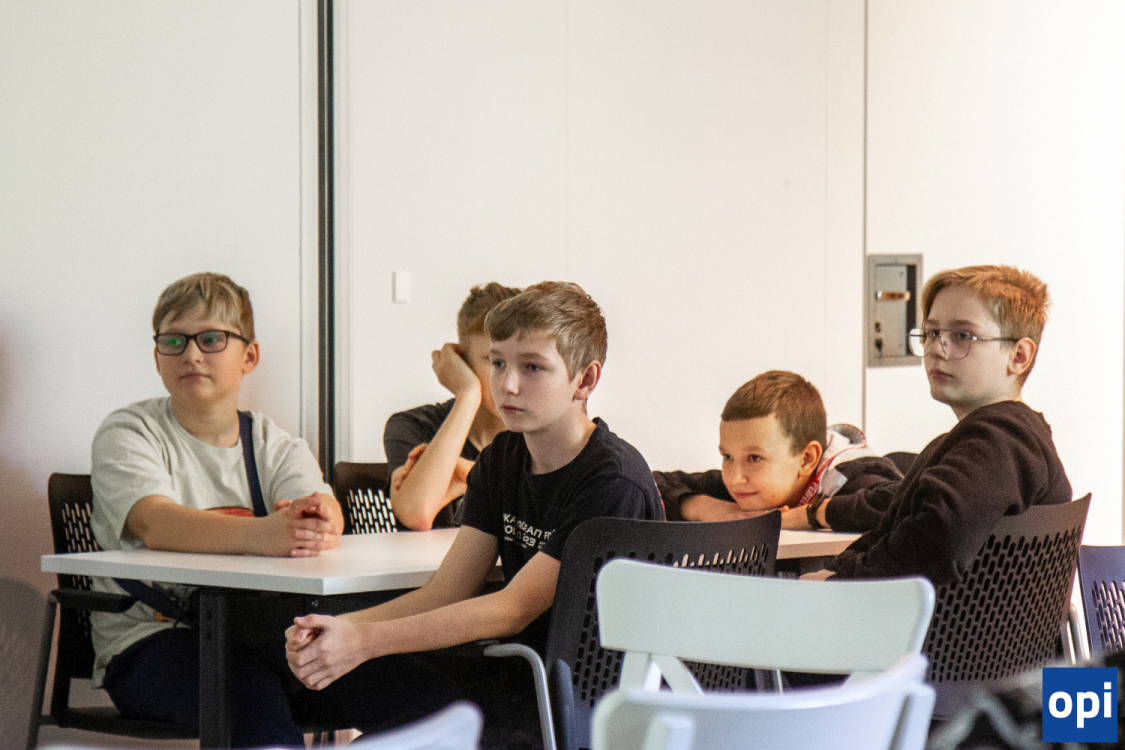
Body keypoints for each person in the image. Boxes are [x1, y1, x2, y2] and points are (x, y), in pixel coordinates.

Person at [286, 281, 665, 748]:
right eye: (498, 363)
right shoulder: (502, 458)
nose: (507, 384)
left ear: (584, 381)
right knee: (272, 673)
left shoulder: (612, 480)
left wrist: (364, 642)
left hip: (577, 704)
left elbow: (512, 610)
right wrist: (346, 629)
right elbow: (448, 590)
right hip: (509, 678)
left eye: (532, 367)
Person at [89, 273, 435, 748]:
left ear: (249, 356)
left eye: (212, 339)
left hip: (264, 635)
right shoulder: (129, 432)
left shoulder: (272, 441)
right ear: (157, 358)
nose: (191, 354)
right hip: (150, 640)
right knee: (251, 700)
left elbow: (324, 509)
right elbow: (155, 522)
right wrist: (265, 533)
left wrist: (319, 520)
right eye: (173, 341)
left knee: (425, 699)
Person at [812, 265, 1072, 584]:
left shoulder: (1000, 437)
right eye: (932, 333)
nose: (936, 348)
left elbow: (937, 537)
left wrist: (838, 583)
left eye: (963, 336)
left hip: (935, 617)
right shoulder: (1009, 437)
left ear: (1018, 356)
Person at [653, 370, 902, 532]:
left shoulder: (853, 475)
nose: (735, 477)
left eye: (754, 458)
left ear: (806, 459)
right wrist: (711, 509)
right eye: (727, 457)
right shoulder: (748, 488)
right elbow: (648, 484)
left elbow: (904, 505)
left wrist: (806, 515)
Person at [384, 282, 522, 530]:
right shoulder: (413, 426)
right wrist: (467, 394)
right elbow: (418, 513)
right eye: (496, 362)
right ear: (462, 363)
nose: (511, 383)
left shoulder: (548, 433)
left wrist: (471, 474)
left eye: (526, 363)